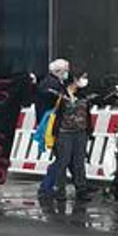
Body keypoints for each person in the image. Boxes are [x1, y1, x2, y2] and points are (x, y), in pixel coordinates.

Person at [51, 70, 94, 203]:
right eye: (81, 78)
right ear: (74, 80)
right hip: (64, 133)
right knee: (63, 162)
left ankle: (81, 190)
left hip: (81, 132)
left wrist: (89, 131)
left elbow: (87, 113)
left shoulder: (83, 95)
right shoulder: (60, 95)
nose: (83, 81)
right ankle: (60, 191)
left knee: (79, 163)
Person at [35, 59, 73, 198]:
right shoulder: (52, 85)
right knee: (63, 157)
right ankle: (46, 187)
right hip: (55, 125)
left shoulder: (51, 82)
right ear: (58, 71)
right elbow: (60, 101)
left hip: (53, 124)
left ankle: (80, 185)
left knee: (66, 157)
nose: (68, 73)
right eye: (66, 70)